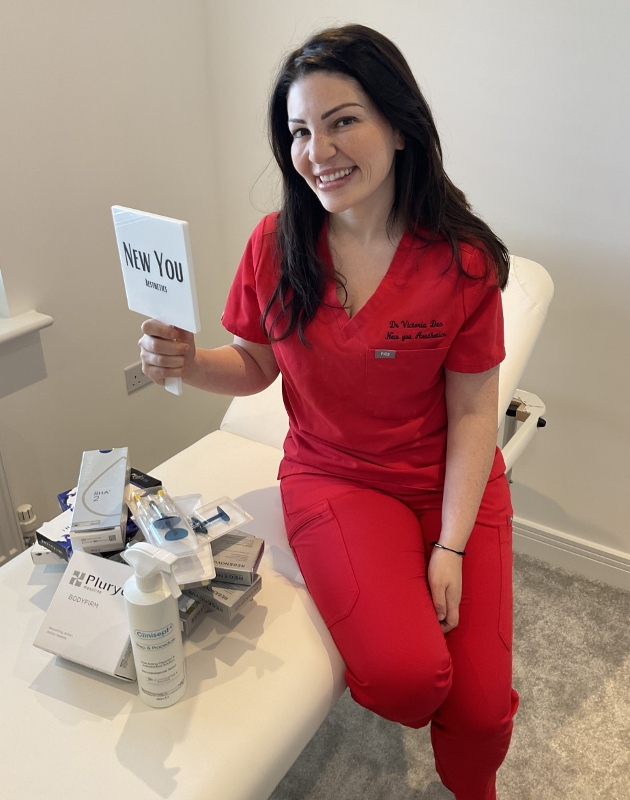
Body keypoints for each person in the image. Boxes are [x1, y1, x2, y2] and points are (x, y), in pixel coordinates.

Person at [139, 24, 518, 800]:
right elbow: (252, 367)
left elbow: (478, 409)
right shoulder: (276, 245)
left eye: (343, 120)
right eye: (300, 131)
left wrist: (448, 547)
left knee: (480, 712)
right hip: (335, 479)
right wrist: (185, 362)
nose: (318, 150)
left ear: (400, 127)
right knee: (411, 680)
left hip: (449, 481)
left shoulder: (461, 259)